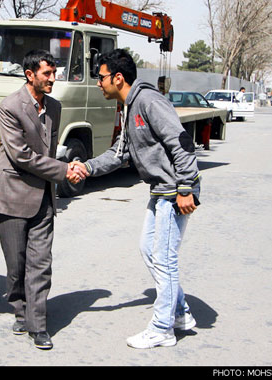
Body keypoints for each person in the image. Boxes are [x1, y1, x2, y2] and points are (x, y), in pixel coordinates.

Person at [71, 49, 200, 349]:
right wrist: (87, 167)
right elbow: (120, 153)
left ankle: (162, 328)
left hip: (173, 191)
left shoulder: (149, 101)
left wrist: (185, 189)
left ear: (118, 78)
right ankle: (179, 313)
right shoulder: (129, 105)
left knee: (165, 260)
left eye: (101, 77)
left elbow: (181, 143)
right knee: (149, 250)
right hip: (160, 191)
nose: (98, 83)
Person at [0, 50, 82, 350]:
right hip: (12, 197)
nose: (53, 79)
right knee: (17, 265)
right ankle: (20, 309)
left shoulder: (54, 106)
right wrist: (63, 171)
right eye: (47, 74)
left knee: (40, 263)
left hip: (44, 197)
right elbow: (21, 156)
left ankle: (38, 325)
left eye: (54, 73)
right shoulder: (10, 107)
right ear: (30, 75)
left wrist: (58, 174)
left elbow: (48, 148)